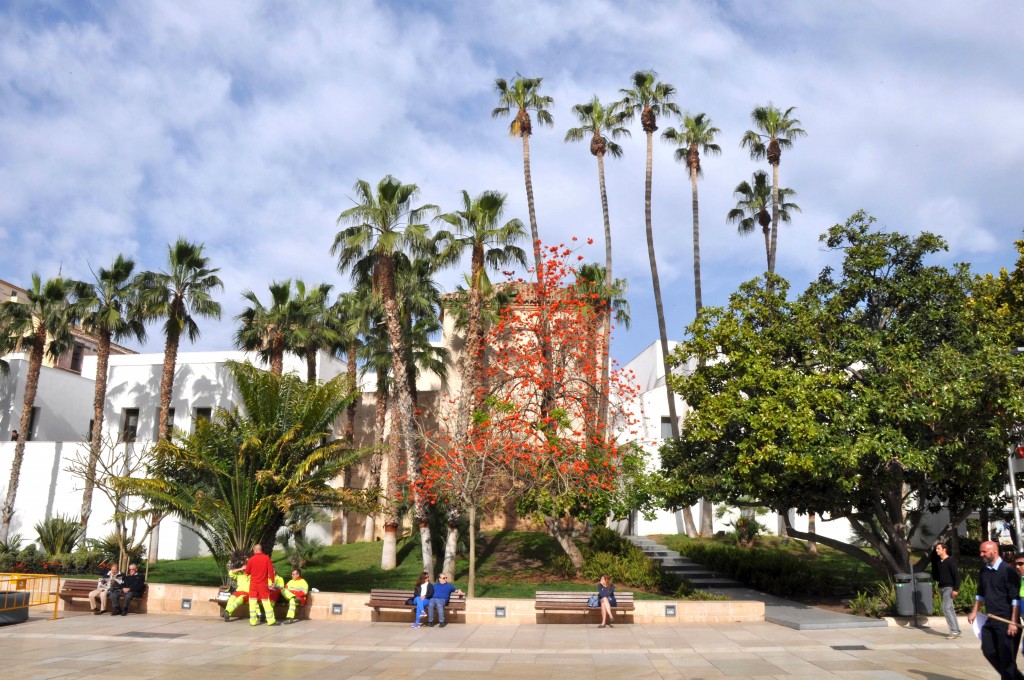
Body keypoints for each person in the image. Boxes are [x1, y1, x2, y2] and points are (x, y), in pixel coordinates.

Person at [968, 541, 1022, 679]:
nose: (981, 554)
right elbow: (980, 592)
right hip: (991, 619)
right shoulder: (984, 570)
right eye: (981, 551)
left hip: (1006, 620)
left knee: (1007, 659)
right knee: (988, 650)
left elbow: (1015, 598)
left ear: (994, 552)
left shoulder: (1008, 571)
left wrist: (1013, 622)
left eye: (984, 552)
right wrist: (975, 611)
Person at [933, 542, 962, 639]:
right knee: (950, 608)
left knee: (945, 608)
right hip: (942, 588)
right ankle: (956, 630)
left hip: (949, 588)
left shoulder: (950, 561)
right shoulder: (939, 562)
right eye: (936, 548)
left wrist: (956, 589)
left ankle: (953, 631)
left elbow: (957, 575)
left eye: (938, 548)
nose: (936, 550)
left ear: (944, 549)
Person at [243, 544, 277, 626]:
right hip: (263, 584)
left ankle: (253, 621)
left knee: (252, 602)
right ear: (261, 549)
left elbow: (247, 572)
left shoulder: (251, 559)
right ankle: (271, 620)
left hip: (253, 584)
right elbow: (271, 571)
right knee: (266, 601)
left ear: (255, 550)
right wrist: (272, 581)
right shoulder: (266, 558)